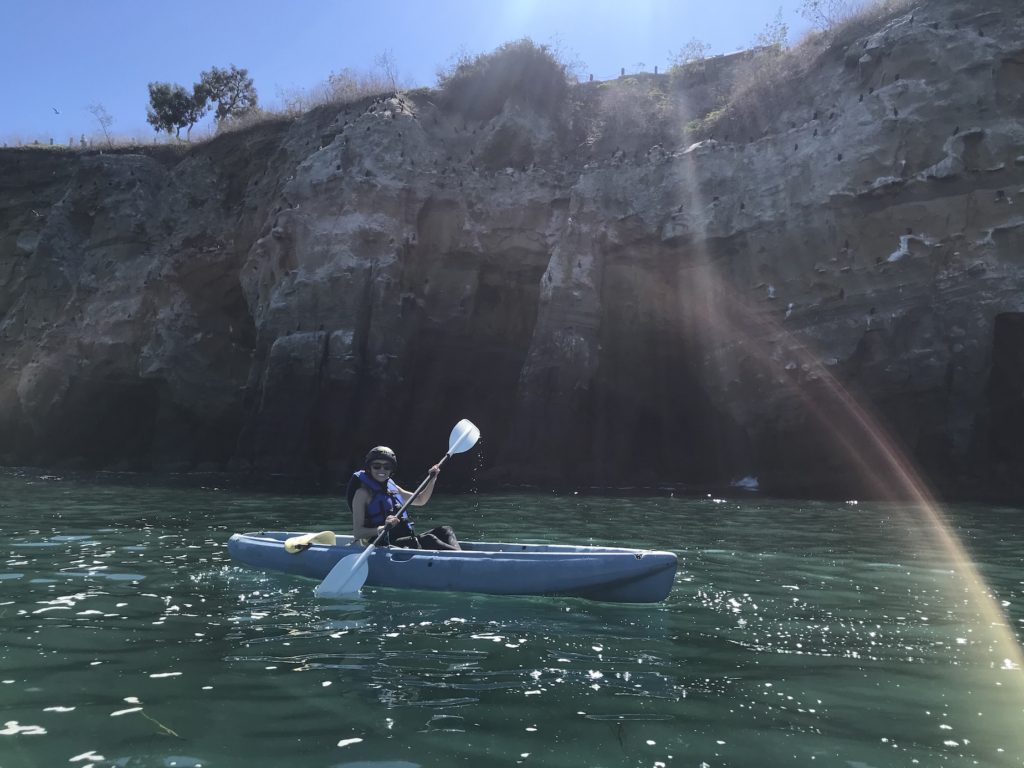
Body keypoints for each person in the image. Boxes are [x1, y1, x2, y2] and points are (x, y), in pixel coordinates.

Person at [347, 446, 460, 551]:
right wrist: (383, 528)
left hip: (405, 540)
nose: (382, 470)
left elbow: (421, 500)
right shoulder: (362, 493)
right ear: (369, 468)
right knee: (429, 539)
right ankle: (462, 560)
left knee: (445, 530)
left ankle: (462, 557)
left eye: (387, 467)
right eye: (376, 466)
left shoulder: (393, 487)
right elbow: (358, 533)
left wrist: (432, 479)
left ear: (391, 469)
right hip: (382, 544)